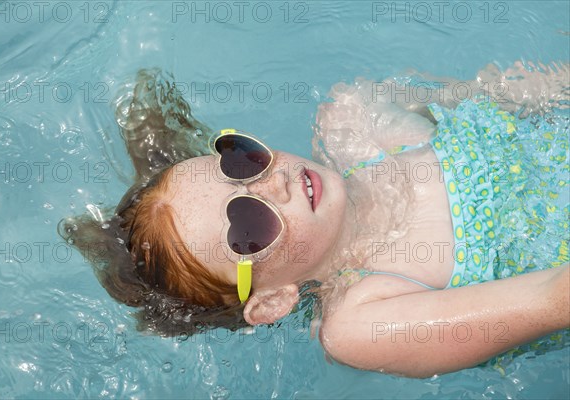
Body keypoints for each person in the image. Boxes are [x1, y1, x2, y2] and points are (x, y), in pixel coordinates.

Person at [61, 64, 570, 378]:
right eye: (247, 224)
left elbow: (534, 91)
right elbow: (553, 301)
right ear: (273, 300)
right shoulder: (360, 322)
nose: (273, 183)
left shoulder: (356, 117)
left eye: (241, 161)